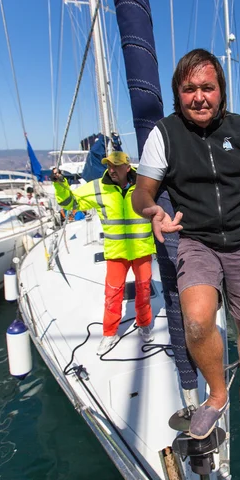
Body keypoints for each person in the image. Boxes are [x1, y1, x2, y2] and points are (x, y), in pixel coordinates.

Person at [132, 49, 240, 440]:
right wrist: (151, 211)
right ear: (178, 93)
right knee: (196, 319)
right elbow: (142, 191)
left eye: (207, 87)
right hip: (198, 241)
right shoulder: (165, 135)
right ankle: (218, 394)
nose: (199, 97)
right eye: (189, 89)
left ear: (221, 91)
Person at [51, 150, 155, 356]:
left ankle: (144, 324)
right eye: (109, 165)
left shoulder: (144, 184)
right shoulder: (98, 187)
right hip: (116, 252)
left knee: (143, 290)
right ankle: (110, 333)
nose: (111, 170)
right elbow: (71, 203)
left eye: (116, 166)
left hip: (142, 249)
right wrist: (60, 184)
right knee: (112, 294)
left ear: (128, 167)